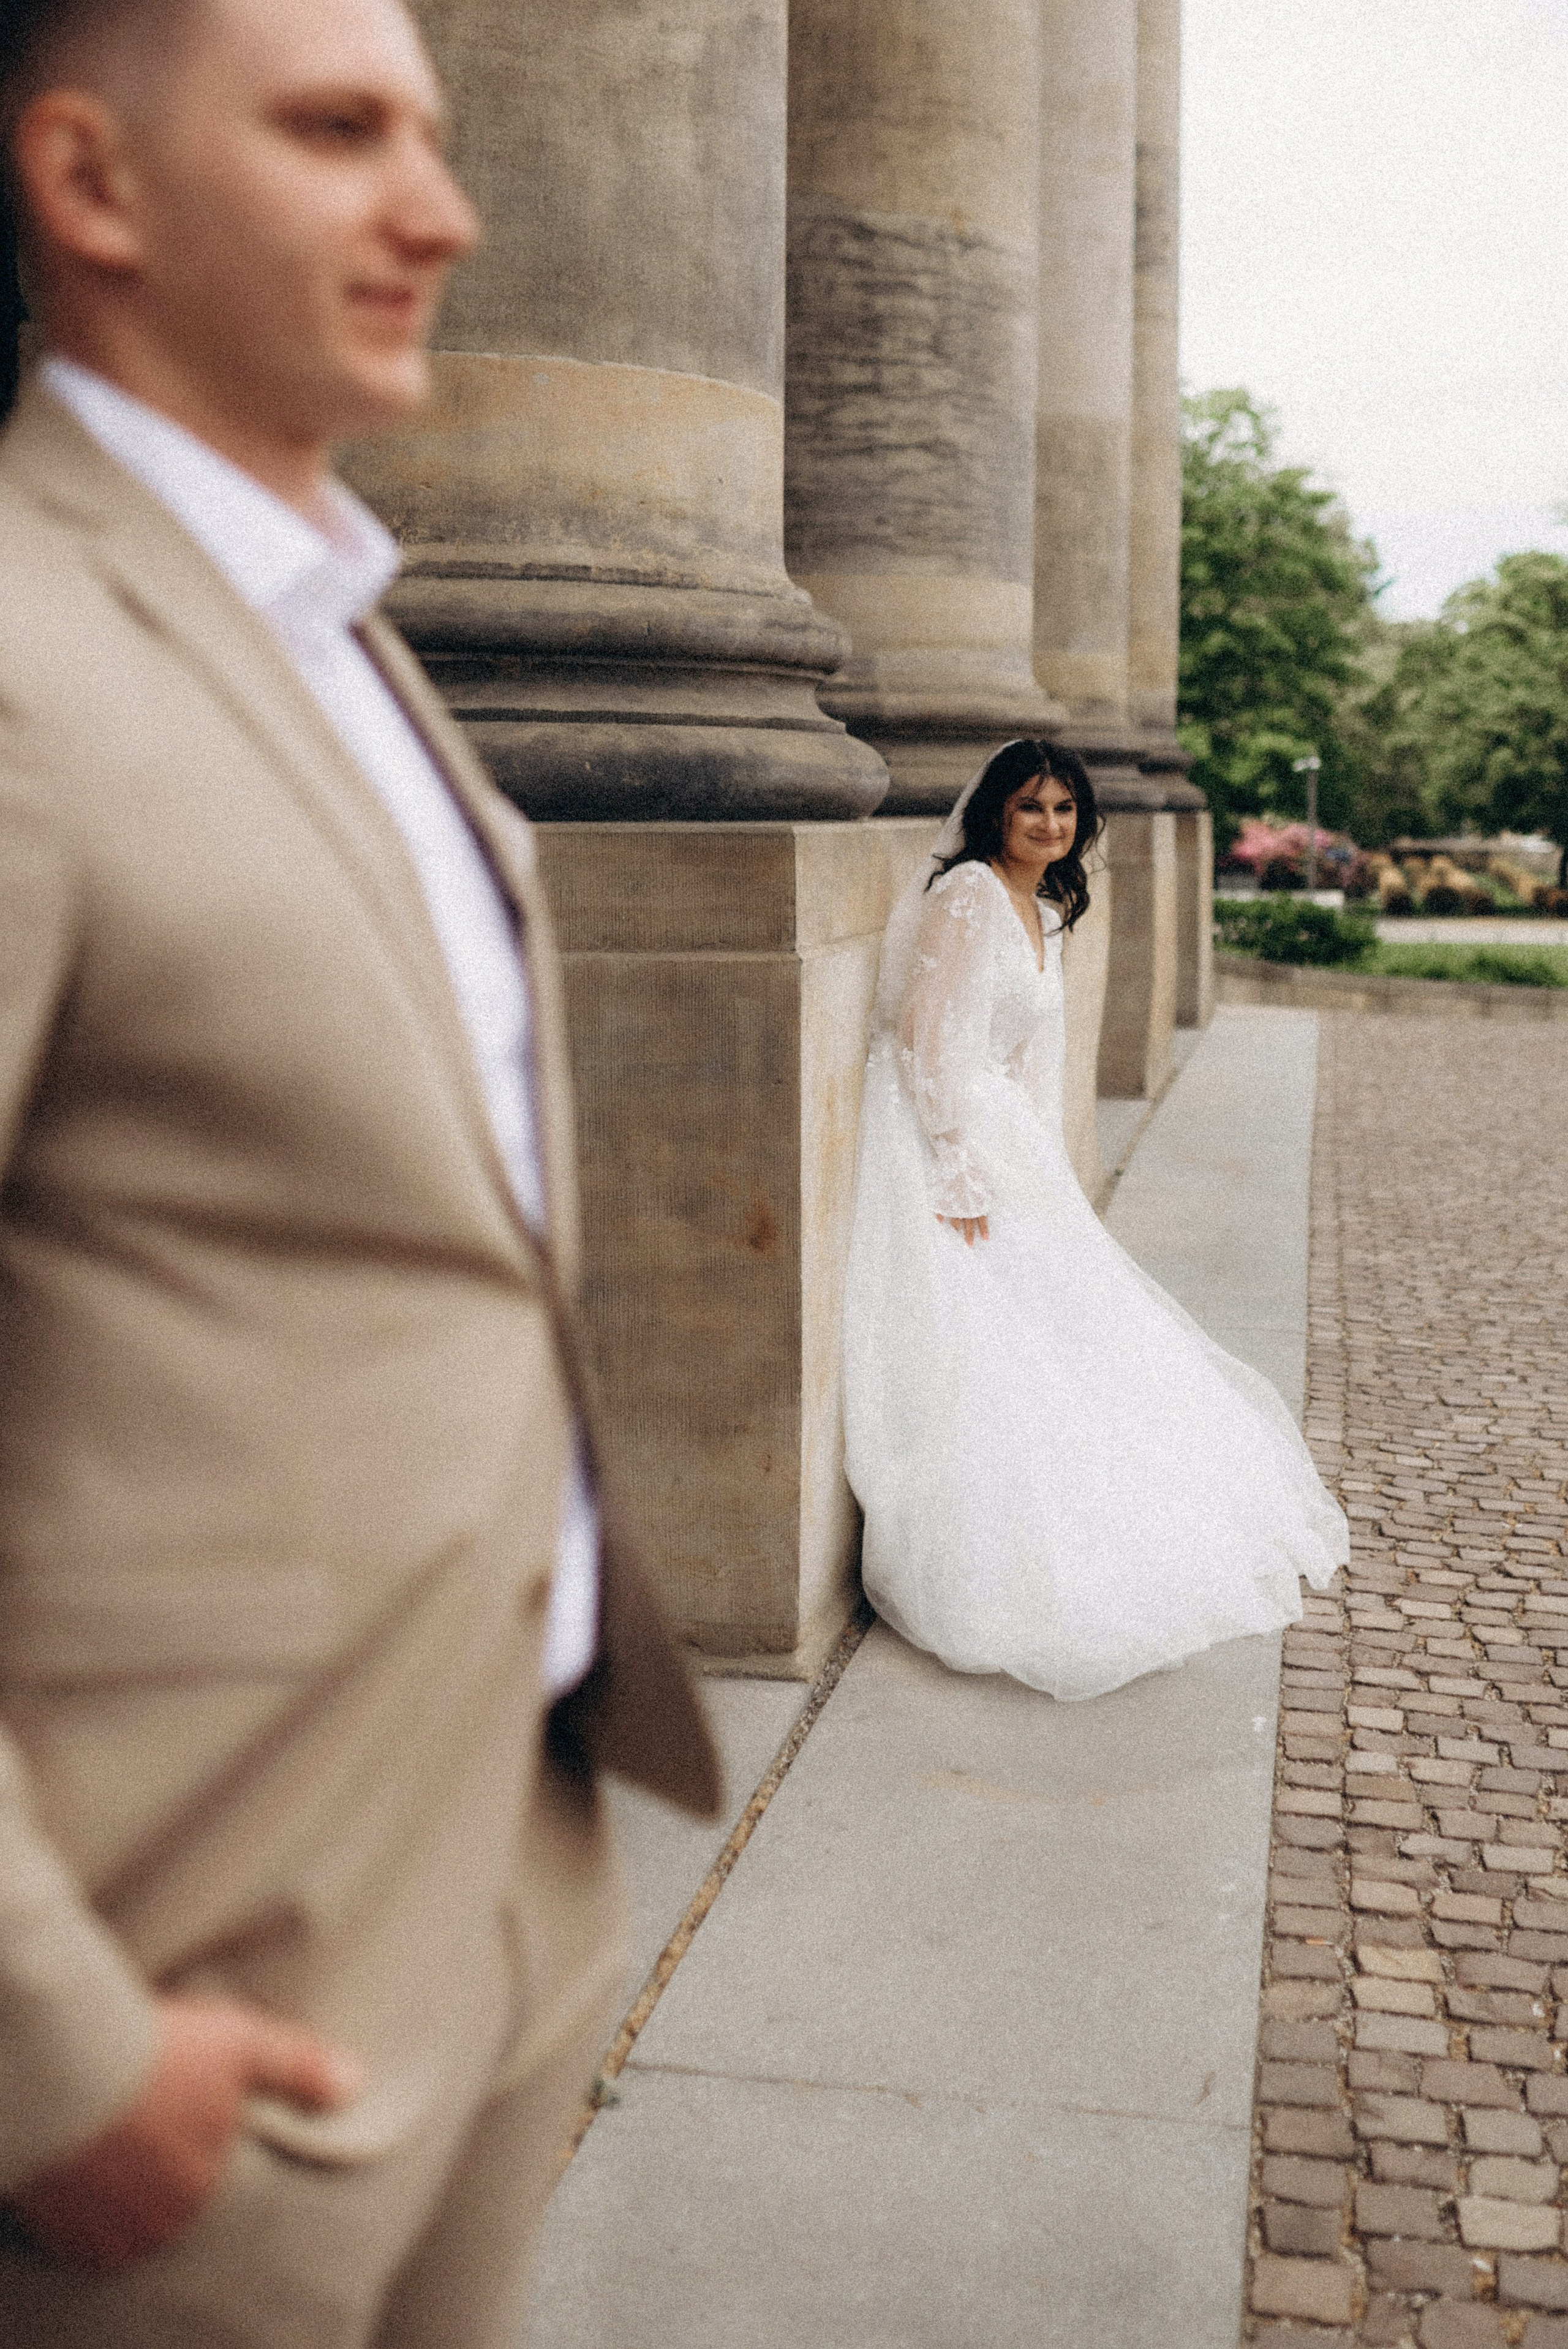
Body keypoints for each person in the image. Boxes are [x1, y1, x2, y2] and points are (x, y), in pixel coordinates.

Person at [0, 0, 718, 2341]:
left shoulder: (338, 631)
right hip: (178, 1972)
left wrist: (543, 1880)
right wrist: (59, 2052)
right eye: (338, 134)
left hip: (495, 1895)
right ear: (92, 187)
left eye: (433, 129)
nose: (446, 211)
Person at [842, 737, 1348, 1700]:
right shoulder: (969, 898)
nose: (1048, 824)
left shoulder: (1046, 907)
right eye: (1031, 807)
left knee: (1074, 1319)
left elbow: (1037, 1051)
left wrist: (1041, 1167)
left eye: (1064, 810)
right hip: (939, 1136)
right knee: (981, 1334)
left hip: (1004, 1136)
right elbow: (921, 1035)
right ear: (996, 811)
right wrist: (957, 1171)